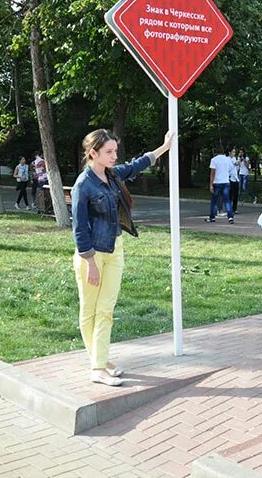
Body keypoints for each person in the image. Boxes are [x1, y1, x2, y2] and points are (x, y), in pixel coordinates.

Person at [71, 129, 173, 386]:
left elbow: (137, 165)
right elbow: (80, 229)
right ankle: (97, 366)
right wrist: (90, 262)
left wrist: (164, 147)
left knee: (106, 310)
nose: (115, 156)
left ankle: (100, 361)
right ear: (93, 153)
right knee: (90, 310)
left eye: (115, 151)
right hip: (92, 255)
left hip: (115, 250)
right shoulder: (83, 185)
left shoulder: (112, 175)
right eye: (109, 152)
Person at [207, 146, 235, 224]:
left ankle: (212, 217)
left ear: (215, 152)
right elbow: (230, 168)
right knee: (227, 201)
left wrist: (211, 184)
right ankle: (230, 217)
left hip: (217, 182)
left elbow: (213, 172)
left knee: (214, 201)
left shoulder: (214, 160)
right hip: (226, 182)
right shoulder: (227, 159)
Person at [228, 147, 240, 214]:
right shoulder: (227, 159)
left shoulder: (234, 158)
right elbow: (234, 165)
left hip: (236, 178)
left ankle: (234, 209)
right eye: (233, 152)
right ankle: (229, 208)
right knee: (230, 194)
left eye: (234, 152)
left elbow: (237, 167)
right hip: (230, 178)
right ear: (229, 152)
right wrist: (236, 163)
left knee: (236, 195)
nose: (234, 153)